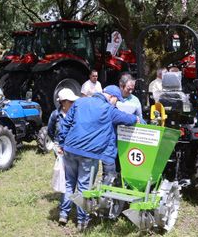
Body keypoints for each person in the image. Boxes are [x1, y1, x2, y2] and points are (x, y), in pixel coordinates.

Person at [56, 85, 139, 231]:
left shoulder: (80, 102)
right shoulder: (109, 109)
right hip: (89, 153)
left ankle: (63, 214)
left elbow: (65, 123)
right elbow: (128, 119)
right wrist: (137, 118)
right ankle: (82, 221)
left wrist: (62, 143)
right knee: (84, 186)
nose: (115, 103)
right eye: (116, 100)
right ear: (111, 97)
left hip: (70, 149)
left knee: (69, 182)